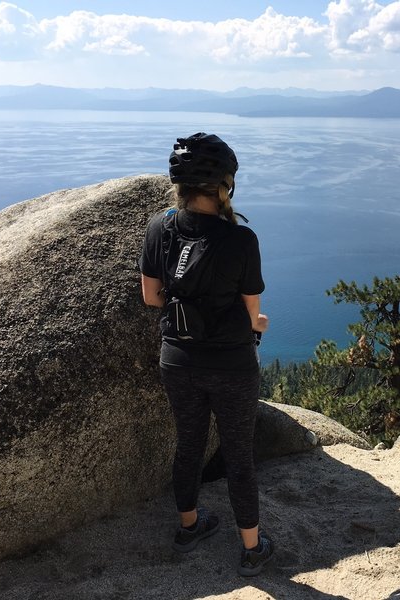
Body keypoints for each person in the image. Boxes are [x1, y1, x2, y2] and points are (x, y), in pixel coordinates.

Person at [138, 132, 274, 576]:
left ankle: (189, 527)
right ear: (224, 185)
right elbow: (252, 311)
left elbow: (152, 298)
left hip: (177, 359)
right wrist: (258, 324)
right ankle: (252, 549)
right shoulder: (240, 239)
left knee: (189, 444)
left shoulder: (160, 227)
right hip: (232, 364)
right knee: (238, 455)